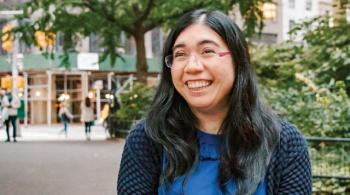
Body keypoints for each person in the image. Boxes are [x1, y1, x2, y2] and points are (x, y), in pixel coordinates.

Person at [117, 9, 312, 195]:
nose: (192, 67)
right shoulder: (147, 139)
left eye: (207, 51)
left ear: (238, 60)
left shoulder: (285, 143)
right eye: (180, 54)